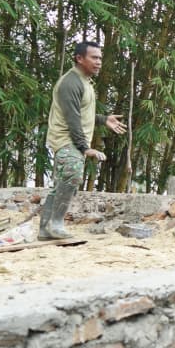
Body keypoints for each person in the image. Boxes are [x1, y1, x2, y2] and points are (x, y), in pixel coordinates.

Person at [39, 41, 126, 240]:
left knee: (63, 183)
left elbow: (82, 113)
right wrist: (85, 148)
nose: (99, 62)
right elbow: (72, 118)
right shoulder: (71, 82)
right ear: (79, 58)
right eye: (94, 57)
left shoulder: (84, 82)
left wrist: (104, 119)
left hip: (72, 140)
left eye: (100, 58)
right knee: (72, 175)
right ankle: (55, 224)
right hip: (66, 139)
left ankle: (45, 228)